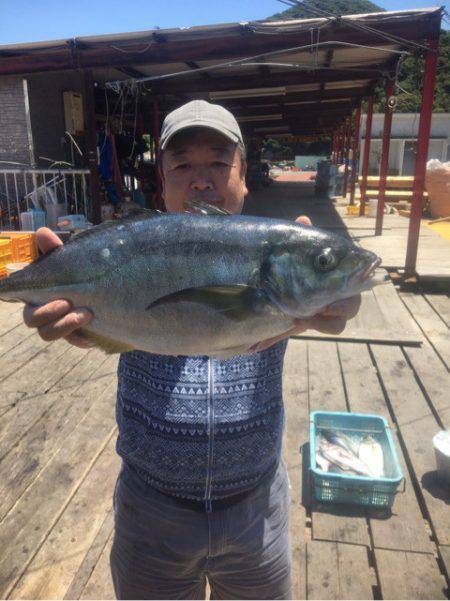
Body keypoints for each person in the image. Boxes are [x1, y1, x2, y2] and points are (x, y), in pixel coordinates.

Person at [23, 100, 360, 600]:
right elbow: (76, 314)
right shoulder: (138, 242)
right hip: (150, 512)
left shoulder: (277, 245)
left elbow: (330, 291)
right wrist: (43, 290)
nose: (201, 180)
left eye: (219, 163)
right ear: (162, 181)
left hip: (256, 511)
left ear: (245, 177)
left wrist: (333, 297)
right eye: (183, 165)